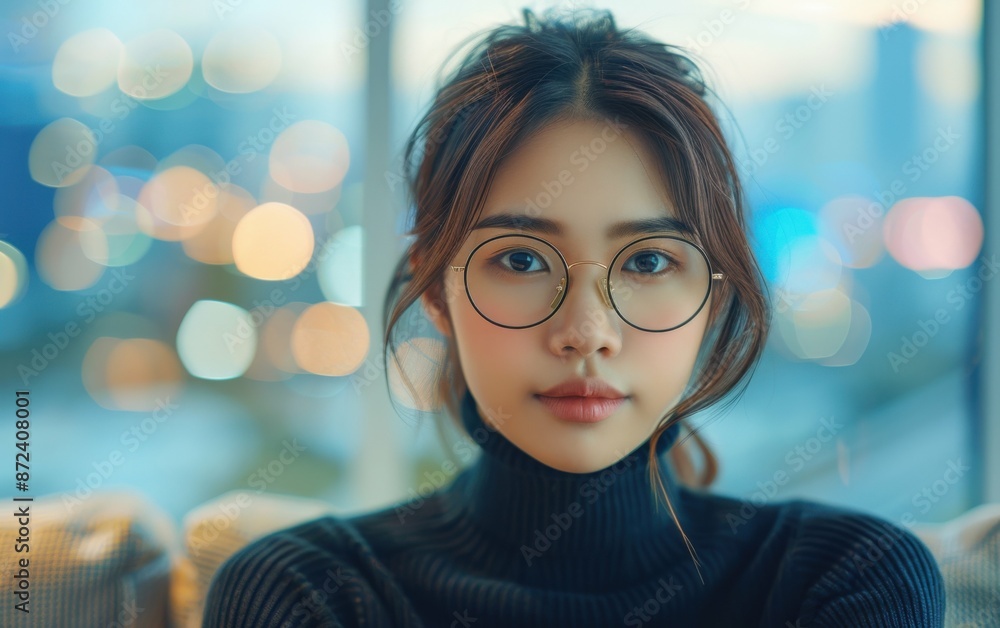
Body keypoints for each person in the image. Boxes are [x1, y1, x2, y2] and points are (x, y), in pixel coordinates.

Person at [202, 7, 945, 627]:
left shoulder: (843, 580)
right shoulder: (309, 592)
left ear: (713, 296)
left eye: (649, 262)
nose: (587, 332)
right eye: (522, 261)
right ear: (436, 289)